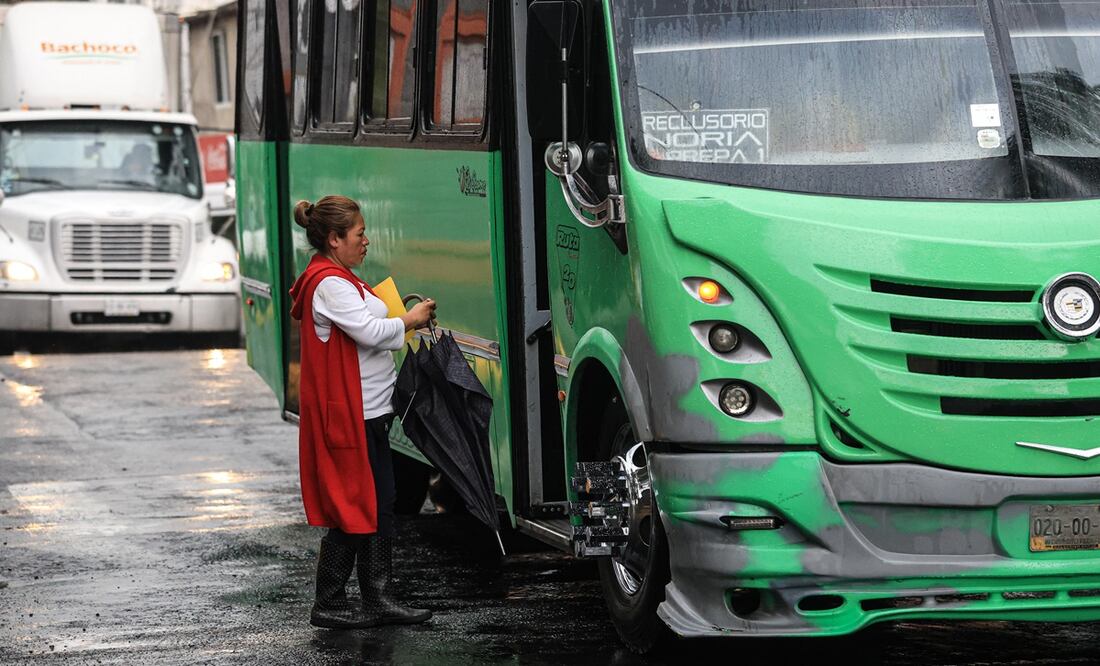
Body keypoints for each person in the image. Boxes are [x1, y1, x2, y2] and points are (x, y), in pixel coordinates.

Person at [288, 195, 437, 629]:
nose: (366, 240)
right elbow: (371, 332)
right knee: (362, 505)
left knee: (374, 503)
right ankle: (341, 601)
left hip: (366, 412)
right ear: (335, 239)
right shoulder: (330, 284)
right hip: (353, 416)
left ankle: (365, 599)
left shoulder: (337, 277)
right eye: (359, 233)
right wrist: (410, 319)